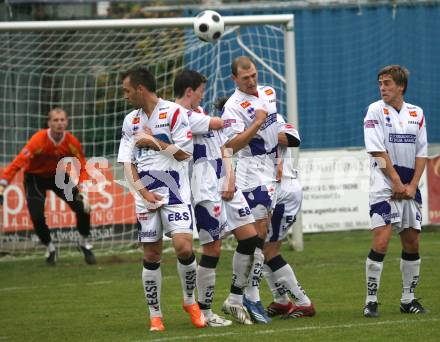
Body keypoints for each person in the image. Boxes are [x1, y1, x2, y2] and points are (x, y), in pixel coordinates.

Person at [117, 67, 205, 332]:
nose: (125, 96)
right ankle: (155, 315)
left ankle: (190, 301)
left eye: (127, 91)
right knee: (152, 254)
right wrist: (143, 193)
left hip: (175, 191)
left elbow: (184, 155)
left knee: (184, 247)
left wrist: (152, 141)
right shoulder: (130, 120)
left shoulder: (174, 113)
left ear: (141, 89)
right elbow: (126, 163)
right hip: (145, 195)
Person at [174, 69, 258, 326]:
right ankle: (205, 311)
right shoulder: (179, 115)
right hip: (204, 189)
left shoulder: (199, 112)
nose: (203, 96)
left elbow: (225, 146)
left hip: (226, 183)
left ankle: (234, 299)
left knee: (250, 238)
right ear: (190, 91)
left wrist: (230, 176)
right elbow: (221, 124)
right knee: (213, 247)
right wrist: (252, 118)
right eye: (200, 91)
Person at [362, 65, 428, 317]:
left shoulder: (417, 113)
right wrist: (396, 181)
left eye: (387, 83)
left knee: (412, 242)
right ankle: (370, 301)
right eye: (380, 83)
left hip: (409, 187)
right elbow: (376, 151)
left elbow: (422, 152)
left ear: (401, 86)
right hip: (384, 186)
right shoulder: (374, 110)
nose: (382, 88)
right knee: (381, 240)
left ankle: (408, 299)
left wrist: (411, 185)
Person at [220, 56, 279, 324]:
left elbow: (275, 130)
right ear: (235, 79)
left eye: (254, 75)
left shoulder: (269, 92)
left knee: (262, 236)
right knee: (254, 238)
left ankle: (243, 296)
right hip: (248, 175)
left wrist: (280, 161)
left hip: (269, 174)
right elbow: (230, 145)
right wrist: (255, 123)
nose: (252, 81)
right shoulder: (232, 107)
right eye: (245, 78)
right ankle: (248, 296)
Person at [0, 107, 95, 266]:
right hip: (34, 178)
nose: (59, 123)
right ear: (49, 123)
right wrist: (2, 184)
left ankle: (83, 243)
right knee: (36, 216)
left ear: (67, 122)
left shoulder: (72, 142)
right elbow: (17, 164)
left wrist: (83, 188)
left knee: (83, 208)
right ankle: (51, 249)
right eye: (55, 120)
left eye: (62, 120)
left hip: (58, 176)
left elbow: (83, 166)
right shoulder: (37, 140)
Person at [263, 115, 315, 318]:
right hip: (267, 191)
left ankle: (303, 303)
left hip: (284, 192)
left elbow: (294, 139)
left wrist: (260, 130)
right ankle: (281, 301)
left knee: (269, 250)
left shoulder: (272, 118)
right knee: (262, 249)